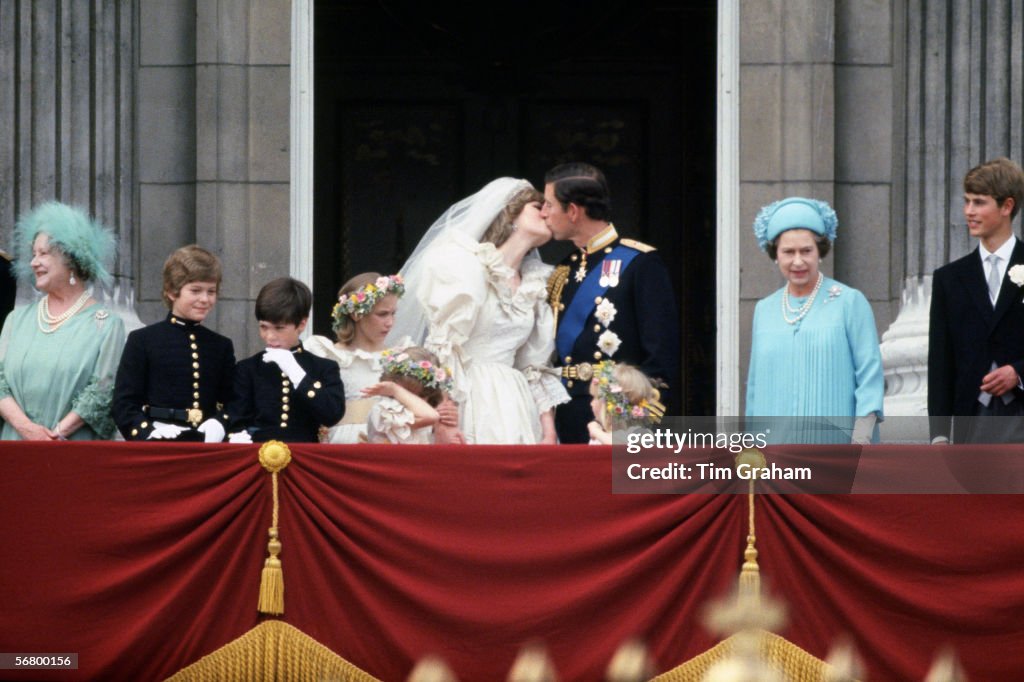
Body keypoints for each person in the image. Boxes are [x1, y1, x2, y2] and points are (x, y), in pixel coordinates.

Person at [389, 177, 568, 444]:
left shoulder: (537, 282)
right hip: (468, 396)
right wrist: (444, 415)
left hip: (515, 403)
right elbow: (445, 347)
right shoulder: (465, 266)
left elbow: (533, 365)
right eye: (536, 206)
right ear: (510, 215)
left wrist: (548, 430)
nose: (546, 212)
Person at [541, 162, 680, 443]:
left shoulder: (640, 263)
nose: (544, 213)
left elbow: (660, 358)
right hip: (567, 416)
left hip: (617, 417)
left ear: (572, 211)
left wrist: (632, 424)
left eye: (548, 204)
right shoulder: (563, 270)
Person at [745, 196, 884, 443]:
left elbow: (870, 376)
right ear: (775, 255)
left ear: (820, 252)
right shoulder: (764, 309)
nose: (798, 261)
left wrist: (861, 438)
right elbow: (755, 390)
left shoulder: (849, 302)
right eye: (788, 252)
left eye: (806, 251)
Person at [0, 201, 125, 440]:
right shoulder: (16, 320)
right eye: (33, 254)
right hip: (14, 445)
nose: (33, 262)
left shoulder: (107, 325)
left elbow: (101, 393)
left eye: (44, 254)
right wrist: (27, 429)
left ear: (71, 259)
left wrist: (55, 435)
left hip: (70, 449)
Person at [929, 157, 1024, 444]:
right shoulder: (949, 278)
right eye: (967, 201)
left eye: (979, 202)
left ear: (1007, 206)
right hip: (972, 425)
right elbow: (941, 362)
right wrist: (939, 434)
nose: (969, 211)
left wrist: (1018, 373)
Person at [306, 272, 461, 443]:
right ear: (356, 314)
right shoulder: (329, 355)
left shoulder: (403, 356)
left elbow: (425, 403)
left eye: (393, 313)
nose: (390, 322)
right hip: (346, 442)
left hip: (395, 442)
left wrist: (442, 409)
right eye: (382, 314)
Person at [112, 245, 235, 441]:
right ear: (171, 291)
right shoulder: (143, 341)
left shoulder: (220, 346)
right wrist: (148, 432)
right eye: (195, 290)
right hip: (159, 445)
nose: (205, 299)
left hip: (205, 445)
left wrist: (220, 423)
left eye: (211, 291)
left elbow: (234, 401)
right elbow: (124, 404)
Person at [227, 277, 345, 443]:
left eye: (279, 328)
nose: (269, 336)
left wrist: (297, 375)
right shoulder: (248, 369)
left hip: (304, 457)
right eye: (263, 327)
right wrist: (236, 436)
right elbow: (235, 418)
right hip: (258, 455)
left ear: (302, 324)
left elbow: (332, 414)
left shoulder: (323, 367)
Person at [365, 347, 444, 444]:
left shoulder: (425, 411)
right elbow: (432, 417)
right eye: (408, 394)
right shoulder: (387, 411)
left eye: (423, 395)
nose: (416, 401)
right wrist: (395, 390)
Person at [587, 361, 664, 445]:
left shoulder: (640, 433)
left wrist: (596, 431)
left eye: (595, 398)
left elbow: (619, 447)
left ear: (611, 404)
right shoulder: (601, 435)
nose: (591, 403)